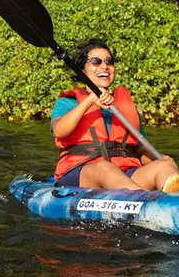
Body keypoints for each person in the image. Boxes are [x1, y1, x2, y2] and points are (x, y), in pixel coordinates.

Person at [51, 38, 179, 192]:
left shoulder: (125, 108)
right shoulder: (69, 103)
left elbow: (138, 151)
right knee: (105, 168)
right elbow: (59, 130)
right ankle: (144, 202)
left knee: (166, 166)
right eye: (96, 61)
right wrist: (89, 101)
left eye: (109, 62)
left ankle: (169, 204)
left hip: (123, 174)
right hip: (83, 172)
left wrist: (156, 158)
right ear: (82, 70)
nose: (104, 66)